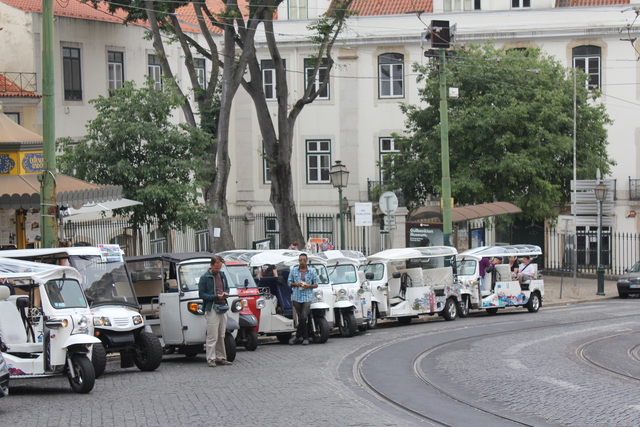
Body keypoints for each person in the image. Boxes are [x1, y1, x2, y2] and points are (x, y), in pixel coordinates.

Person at [198, 255, 233, 367]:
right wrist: (216, 296)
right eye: (216, 268)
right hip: (212, 307)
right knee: (212, 335)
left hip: (222, 306)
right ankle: (211, 358)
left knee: (221, 334)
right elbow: (202, 294)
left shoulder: (222, 275)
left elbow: (227, 287)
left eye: (220, 268)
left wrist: (225, 294)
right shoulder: (205, 278)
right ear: (211, 265)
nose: (218, 270)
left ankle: (221, 357)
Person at [287, 253, 318, 345]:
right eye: (301, 260)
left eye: (304, 260)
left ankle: (301, 337)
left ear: (307, 261)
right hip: (297, 296)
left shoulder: (312, 271)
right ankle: (302, 337)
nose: (302, 262)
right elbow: (289, 282)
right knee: (301, 318)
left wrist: (309, 286)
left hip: (307, 296)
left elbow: (316, 284)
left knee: (304, 316)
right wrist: (296, 284)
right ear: (298, 260)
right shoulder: (294, 271)